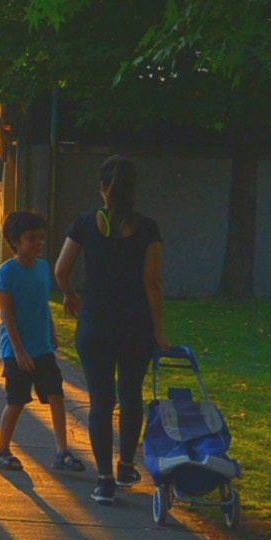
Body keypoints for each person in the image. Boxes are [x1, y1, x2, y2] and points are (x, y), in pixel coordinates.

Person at [54, 154, 169, 506]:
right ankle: (126, 467)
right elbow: (152, 282)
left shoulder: (86, 224)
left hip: (96, 323)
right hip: (135, 325)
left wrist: (71, 295)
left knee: (101, 402)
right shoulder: (147, 228)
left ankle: (103, 481)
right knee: (131, 395)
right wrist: (159, 330)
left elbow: (60, 269)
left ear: (103, 188)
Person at [0, 211, 85, 474]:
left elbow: (41, 305)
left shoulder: (43, 268)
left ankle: (62, 451)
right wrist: (19, 351)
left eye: (41, 238)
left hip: (42, 347)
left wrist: (52, 332)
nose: (38, 243)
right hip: (16, 351)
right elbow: (7, 315)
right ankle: (1, 451)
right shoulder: (7, 272)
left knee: (56, 395)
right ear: (15, 241)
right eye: (31, 238)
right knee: (17, 400)